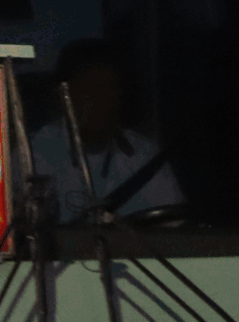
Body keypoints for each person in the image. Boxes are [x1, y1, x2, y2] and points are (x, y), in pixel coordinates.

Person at [27, 38, 186, 223]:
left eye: (108, 89)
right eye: (89, 90)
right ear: (63, 96)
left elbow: (175, 229)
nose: (99, 100)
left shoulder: (144, 156)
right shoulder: (33, 157)